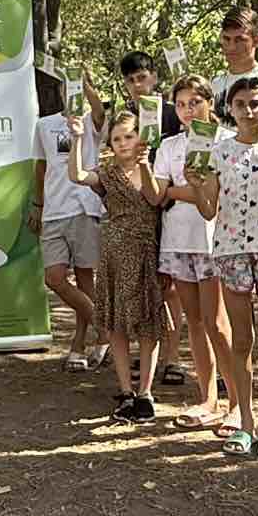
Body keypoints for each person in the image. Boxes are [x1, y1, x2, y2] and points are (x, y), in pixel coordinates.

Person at [195, 78, 258, 457]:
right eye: (240, 103)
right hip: (230, 251)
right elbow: (208, 209)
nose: (248, 110)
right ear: (230, 108)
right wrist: (197, 186)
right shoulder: (217, 152)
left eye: (255, 103)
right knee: (241, 340)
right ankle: (245, 421)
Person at [89, 51, 184, 387]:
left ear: (154, 77)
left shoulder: (172, 113)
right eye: (130, 80)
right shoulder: (126, 118)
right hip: (135, 213)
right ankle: (143, 359)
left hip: (168, 205)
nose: (137, 85)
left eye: (142, 78)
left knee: (168, 286)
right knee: (142, 287)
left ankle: (172, 356)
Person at [66, 109, 165, 421]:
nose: (123, 143)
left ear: (140, 137)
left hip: (146, 252)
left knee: (148, 323)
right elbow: (77, 175)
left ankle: (145, 392)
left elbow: (154, 199)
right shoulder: (107, 174)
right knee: (117, 324)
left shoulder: (156, 166)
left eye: (129, 136)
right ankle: (125, 391)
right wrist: (77, 138)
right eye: (117, 138)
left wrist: (145, 165)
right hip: (114, 254)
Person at [151, 74, 232, 431]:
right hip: (177, 241)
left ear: (209, 103)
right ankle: (208, 398)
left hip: (214, 242)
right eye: (181, 104)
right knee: (195, 322)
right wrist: (179, 189)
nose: (188, 110)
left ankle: (237, 403)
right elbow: (157, 193)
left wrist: (178, 189)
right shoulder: (169, 146)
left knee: (218, 323)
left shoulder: (227, 141)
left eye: (195, 102)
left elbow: (217, 195)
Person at [30, 77, 106, 370]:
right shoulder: (44, 125)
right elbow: (41, 166)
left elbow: (99, 112)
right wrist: (38, 203)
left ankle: (78, 345)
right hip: (53, 211)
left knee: (86, 280)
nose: (71, 91)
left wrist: (86, 84)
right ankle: (105, 329)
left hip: (84, 207)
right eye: (68, 85)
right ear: (60, 90)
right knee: (55, 278)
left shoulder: (90, 122)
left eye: (76, 86)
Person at [210, 6, 258, 118]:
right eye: (227, 39)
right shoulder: (215, 84)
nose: (232, 47)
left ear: (256, 40)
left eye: (240, 40)